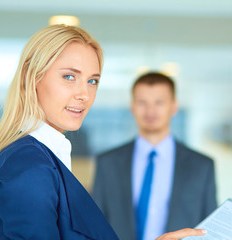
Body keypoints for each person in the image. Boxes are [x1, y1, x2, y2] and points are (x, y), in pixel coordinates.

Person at [0, 25, 206, 240]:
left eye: (92, 81)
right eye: (69, 77)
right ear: (32, 78)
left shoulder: (42, 156)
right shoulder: (29, 163)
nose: (85, 95)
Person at [92, 72, 217, 240]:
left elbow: (210, 229)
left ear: (174, 106)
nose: (150, 111)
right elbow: (94, 225)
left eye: (159, 102)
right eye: (142, 102)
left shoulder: (202, 166)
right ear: (132, 106)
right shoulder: (107, 163)